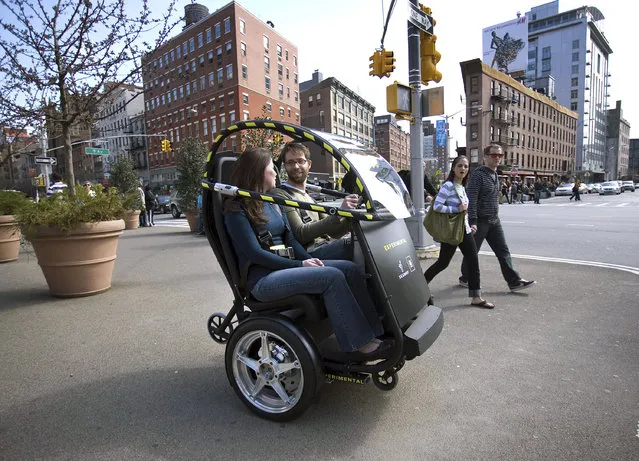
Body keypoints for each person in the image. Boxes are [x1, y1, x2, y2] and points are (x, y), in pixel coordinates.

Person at [223, 147, 388, 357]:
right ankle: (359, 344)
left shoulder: (272, 201)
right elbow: (255, 254)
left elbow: (291, 238)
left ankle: (375, 332)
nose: (276, 172)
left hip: (284, 269)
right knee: (332, 276)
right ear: (257, 173)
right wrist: (300, 265)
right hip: (263, 280)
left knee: (350, 269)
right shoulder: (236, 209)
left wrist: (311, 260)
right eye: (271, 168)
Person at [459, 144, 536, 292]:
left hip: (494, 220)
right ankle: (465, 278)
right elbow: (472, 198)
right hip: (480, 221)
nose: (497, 158)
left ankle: (514, 281)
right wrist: (473, 221)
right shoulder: (478, 174)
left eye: (500, 155)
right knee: (472, 252)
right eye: (494, 155)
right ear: (485, 157)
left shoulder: (495, 174)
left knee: (503, 251)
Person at [424, 156, 494, 308]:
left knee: (473, 261)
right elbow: (437, 206)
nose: (463, 169)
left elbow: (464, 210)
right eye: (460, 166)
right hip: (452, 231)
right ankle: (421, 286)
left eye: (466, 166)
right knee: (443, 263)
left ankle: (476, 297)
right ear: (454, 168)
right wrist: (456, 209)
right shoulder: (448, 186)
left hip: (465, 231)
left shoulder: (462, 186)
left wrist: (470, 223)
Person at [272, 142, 357, 260]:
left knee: (362, 240)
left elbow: (334, 233)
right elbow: (301, 234)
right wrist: (338, 213)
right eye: (291, 162)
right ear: (285, 166)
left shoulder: (309, 197)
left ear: (309, 164)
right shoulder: (280, 194)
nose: (296, 166)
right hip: (310, 254)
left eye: (300, 161)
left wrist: (348, 216)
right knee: (357, 246)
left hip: (326, 246)